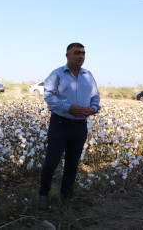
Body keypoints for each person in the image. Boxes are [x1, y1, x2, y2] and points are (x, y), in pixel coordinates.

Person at [37, 42, 100, 209]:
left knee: (72, 163)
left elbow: (95, 97)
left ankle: (67, 198)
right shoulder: (57, 74)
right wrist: (69, 108)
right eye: (77, 53)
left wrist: (92, 109)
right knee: (52, 160)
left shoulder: (88, 75)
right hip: (60, 124)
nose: (81, 56)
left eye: (83, 53)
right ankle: (43, 195)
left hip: (80, 126)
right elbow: (49, 97)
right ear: (67, 55)